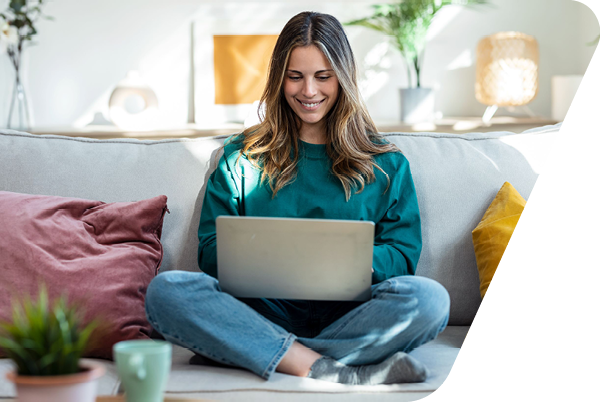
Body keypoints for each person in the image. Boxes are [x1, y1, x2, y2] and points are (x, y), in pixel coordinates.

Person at [144, 11, 450, 385]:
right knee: (166, 291)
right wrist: (268, 255)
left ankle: (265, 352)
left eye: (323, 77)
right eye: (295, 76)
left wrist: (339, 259)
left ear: (343, 77)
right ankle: (331, 368)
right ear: (278, 78)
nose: (309, 91)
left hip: (352, 314)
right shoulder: (241, 157)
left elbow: (403, 256)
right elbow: (209, 251)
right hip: (261, 310)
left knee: (431, 300)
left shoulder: (386, 163)